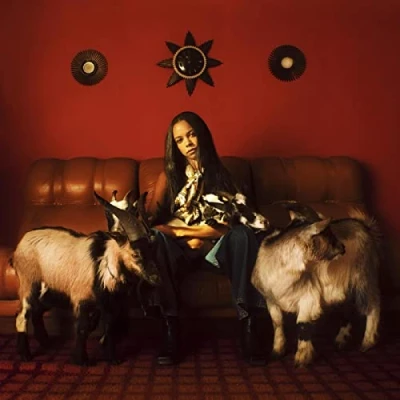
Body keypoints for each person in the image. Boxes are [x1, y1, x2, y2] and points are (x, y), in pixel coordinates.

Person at [140, 111, 268, 366]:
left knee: (242, 235)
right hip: (180, 255)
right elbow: (154, 226)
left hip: (215, 252)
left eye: (191, 135)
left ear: (202, 136)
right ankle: (170, 327)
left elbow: (226, 228)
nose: (187, 143)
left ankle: (249, 325)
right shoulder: (168, 178)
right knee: (156, 238)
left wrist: (181, 232)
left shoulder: (222, 175)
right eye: (179, 140)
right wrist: (171, 232)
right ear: (174, 146)